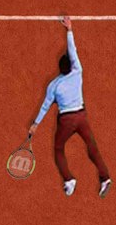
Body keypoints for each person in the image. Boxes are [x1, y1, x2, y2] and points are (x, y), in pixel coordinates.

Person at [29, 17, 111, 198]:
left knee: (58, 149)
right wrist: (69, 30)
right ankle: (104, 177)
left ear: (59, 68)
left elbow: (45, 107)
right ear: (70, 66)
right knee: (92, 147)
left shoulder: (54, 85)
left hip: (66, 121)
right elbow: (73, 51)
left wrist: (35, 124)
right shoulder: (78, 72)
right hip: (81, 118)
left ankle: (69, 180)